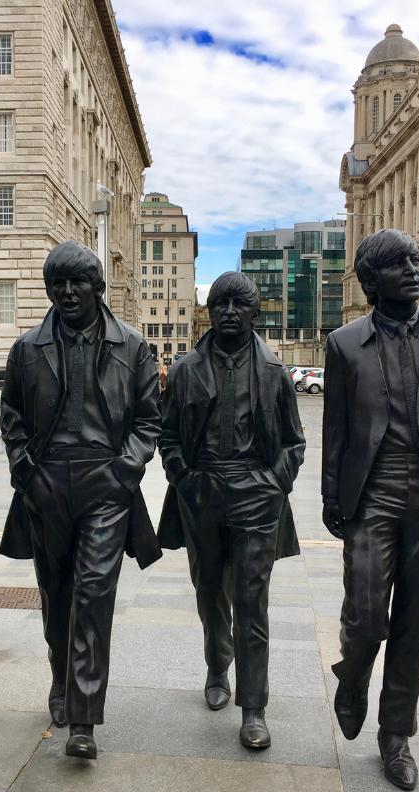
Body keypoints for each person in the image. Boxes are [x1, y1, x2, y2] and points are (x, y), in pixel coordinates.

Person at [0, 241, 161, 760]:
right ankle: (60, 676)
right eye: (58, 284)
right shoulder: (27, 348)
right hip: (46, 483)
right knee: (57, 593)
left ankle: (84, 718)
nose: (68, 293)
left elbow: (148, 419)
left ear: (97, 286)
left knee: (94, 594)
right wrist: (26, 471)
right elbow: (13, 419)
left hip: (105, 484)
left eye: (78, 283)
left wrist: (126, 469)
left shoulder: (132, 346)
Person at [322, 228, 419, 791]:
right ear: (372, 281)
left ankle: (395, 733)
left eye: (417, 261)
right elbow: (336, 430)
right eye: (399, 264)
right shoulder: (346, 343)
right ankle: (352, 677)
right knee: (367, 615)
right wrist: (332, 496)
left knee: (414, 625)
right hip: (372, 494)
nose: (415, 270)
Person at [158, 271, 305, 749]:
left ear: (254, 313)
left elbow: (293, 441)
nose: (227, 312)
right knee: (208, 591)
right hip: (202, 491)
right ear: (209, 310)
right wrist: (185, 475)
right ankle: (217, 665)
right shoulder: (183, 370)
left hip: (256, 494)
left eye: (238, 305)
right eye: (219, 304)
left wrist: (273, 483)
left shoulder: (274, 372)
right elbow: (168, 435)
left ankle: (254, 706)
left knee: (251, 601)